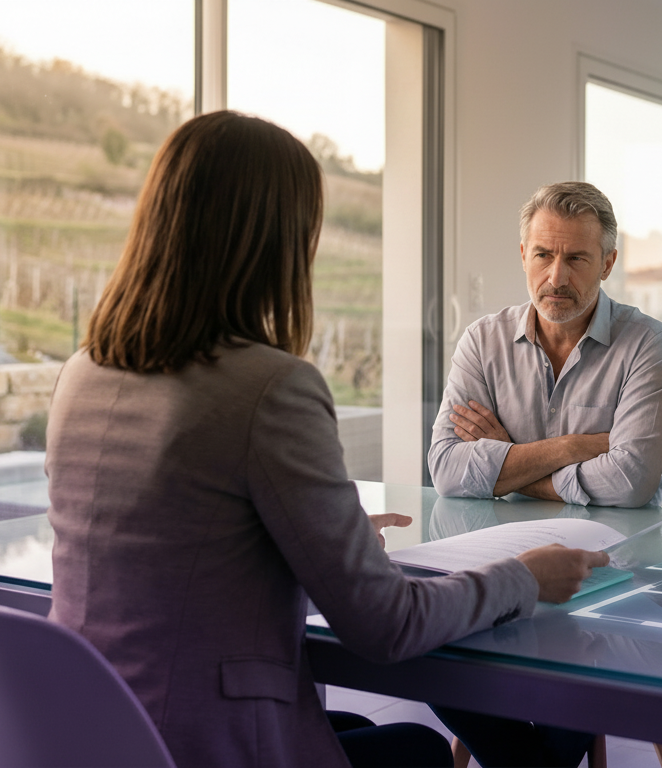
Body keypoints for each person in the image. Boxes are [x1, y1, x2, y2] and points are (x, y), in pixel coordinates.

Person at [44, 111, 608, 768]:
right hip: (201, 740)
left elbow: (176, 539)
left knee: (362, 729)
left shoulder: (82, 371)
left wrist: (301, 539)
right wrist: (522, 578)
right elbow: (386, 624)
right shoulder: (270, 387)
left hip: (90, 729)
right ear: (275, 241)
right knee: (419, 752)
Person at [427, 181, 662, 508]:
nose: (556, 277)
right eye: (543, 255)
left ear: (607, 264)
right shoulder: (482, 341)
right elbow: (447, 471)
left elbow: (629, 483)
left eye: (576, 259)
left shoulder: (647, 344)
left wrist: (509, 458)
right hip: (505, 543)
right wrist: (571, 448)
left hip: (616, 548)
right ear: (523, 255)